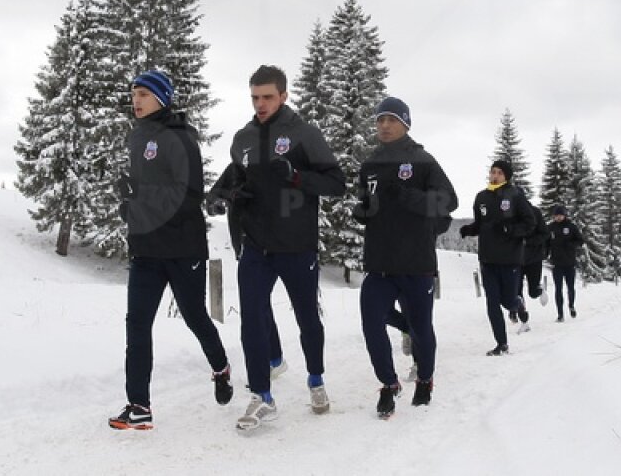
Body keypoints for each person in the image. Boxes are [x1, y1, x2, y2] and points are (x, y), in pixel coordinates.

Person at [221, 65, 345, 434]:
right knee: (252, 319)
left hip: (297, 245)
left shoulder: (305, 134)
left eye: (268, 97)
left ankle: (316, 379)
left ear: (284, 96)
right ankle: (262, 394)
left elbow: (336, 183)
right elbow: (234, 179)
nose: (260, 104)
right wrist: (228, 194)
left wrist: (295, 176)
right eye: (255, 97)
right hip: (256, 245)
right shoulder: (242, 138)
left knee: (307, 317)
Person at [108, 70, 233, 431]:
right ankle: (139, 405)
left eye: (144, 94)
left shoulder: (181, 139)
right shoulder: (137, 137)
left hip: (182, 247)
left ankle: (221, 367)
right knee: (137, 325)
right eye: (133, 93)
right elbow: (147, 190)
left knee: (195, 316)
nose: (136, 99)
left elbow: (187, 195)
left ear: (162, 98)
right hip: (146, 248)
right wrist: (130, 201)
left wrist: (137, 201)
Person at [353, 97, 458, 417]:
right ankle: (388, 384)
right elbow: (367, 200)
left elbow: (448, 202)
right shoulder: (370, 164)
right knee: (372, 324)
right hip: (379, 262)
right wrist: (364, 211)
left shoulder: (422, 160)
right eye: (379, 120)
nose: (384, 125)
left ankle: (425, 380)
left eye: (391, 119)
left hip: (416, 263)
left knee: (421, 328)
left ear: (405, 123)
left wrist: (409, 196)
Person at [207, 164, 288, 380]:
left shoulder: (277, 165)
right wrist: (218, 202)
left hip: (274, 245)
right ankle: (274, 359)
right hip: (243, 244)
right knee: (258, 303)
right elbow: (214, 194)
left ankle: (273, 360)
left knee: (257, 303)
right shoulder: (235, 169)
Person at [459, 160, 535, 355]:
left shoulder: (515, 195)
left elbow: (530, 223)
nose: (495, 175)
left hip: (510, 258)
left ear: (507, 176)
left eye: (500, 173)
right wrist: (469, 229)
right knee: (492, 303)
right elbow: (480, 224)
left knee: (507, 302)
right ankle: (502, 344)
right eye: (493, 172)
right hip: (488, 259)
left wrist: (511, 229)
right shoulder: (481, 197)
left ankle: (517, 303)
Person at [516, 201, 551, 327]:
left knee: (532, 292)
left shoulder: (535, 212)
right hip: (516, 260)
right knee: (516, 291)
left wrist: (528, 242)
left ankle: (540, 290)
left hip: (534, 259)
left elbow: (545, 234)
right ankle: (523, 318)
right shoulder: (510, 214)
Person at [547, 205, 583, 322]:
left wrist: (571, 245)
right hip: (556, 263)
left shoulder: (571, 227)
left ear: (564, 215)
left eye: (560, 215)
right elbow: (545, 242)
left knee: (570, 287)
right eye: (556, 215)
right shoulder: (550, 227)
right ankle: (560, 314)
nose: (558, 217)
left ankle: (571, 305)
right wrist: (545, 253)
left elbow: (580, 241)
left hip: (569, 263)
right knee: (558, 289)